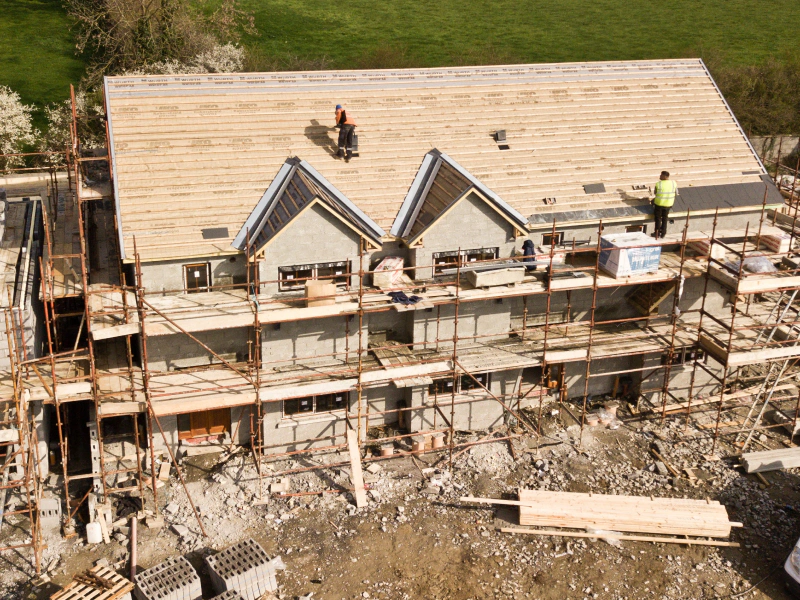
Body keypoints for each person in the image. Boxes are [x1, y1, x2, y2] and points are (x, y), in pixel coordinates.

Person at [652, 171, 677, 238]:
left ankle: (657, 233)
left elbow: (655, 192)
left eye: (661, 175)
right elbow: (676, 193)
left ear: (664, 176)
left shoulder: (658, 184)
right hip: (669, 204)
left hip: (659, 204)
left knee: (658, 218)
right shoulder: (673, 183)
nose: (660, 176)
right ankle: (663, 233)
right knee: (665, 218)